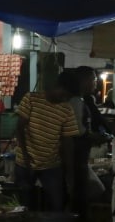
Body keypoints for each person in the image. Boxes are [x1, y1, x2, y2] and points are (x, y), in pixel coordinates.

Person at [14, 71, 81, 211]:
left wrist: (70, 175)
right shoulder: (31, 99)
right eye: (64, 94)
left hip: (51, 165)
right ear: (57, 86)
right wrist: (26, 157)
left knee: (57, 204)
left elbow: (68, 142)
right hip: (25, 162)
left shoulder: (67, 109)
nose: (65, 99)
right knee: (22, 206)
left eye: (68, 97)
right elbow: (19, 128)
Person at [67, 65, 111, 213]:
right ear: (83, 81)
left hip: (79, 158)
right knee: (85, 194)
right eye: (93, 79)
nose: (96, 83)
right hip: (75, 157)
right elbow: (78, 132)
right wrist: (97, 137)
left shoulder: (82, 101)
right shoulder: (75, 102)